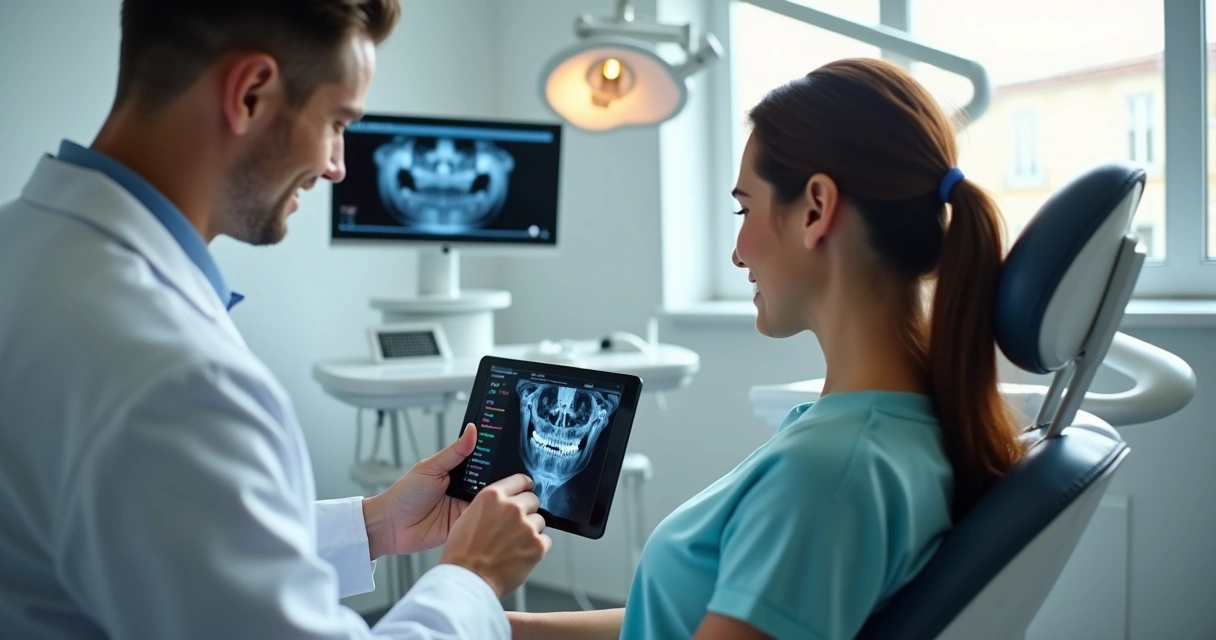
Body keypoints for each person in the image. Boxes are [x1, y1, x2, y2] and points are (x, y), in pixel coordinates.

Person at [0, 1, 551, 638]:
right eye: (338, 122)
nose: (338, 166)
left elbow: (162, 547)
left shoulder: (23, 247)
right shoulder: (178, 378)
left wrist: (372, 525)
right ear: (251, 93)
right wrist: (473, 579)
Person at [507, 57, 1028, 640]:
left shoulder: (830, 475)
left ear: (815, 209)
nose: (737, 251)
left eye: (745, 208)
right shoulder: (889, 429)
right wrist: (501, 629)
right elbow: (680, 622)